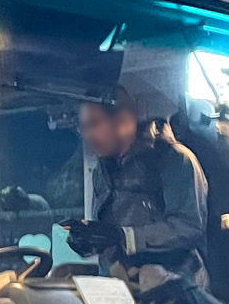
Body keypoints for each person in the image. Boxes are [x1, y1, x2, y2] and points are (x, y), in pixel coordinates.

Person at [62, 90, 211, 290]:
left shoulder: (175, 159)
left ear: (124, 121)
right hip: (123, 286)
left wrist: (125, 237)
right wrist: (89, 239)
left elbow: (189, 227)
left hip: (175, 289)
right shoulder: (101, 169)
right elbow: (110, 234)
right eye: (83, 128)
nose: (88, 135)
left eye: (94, 124)